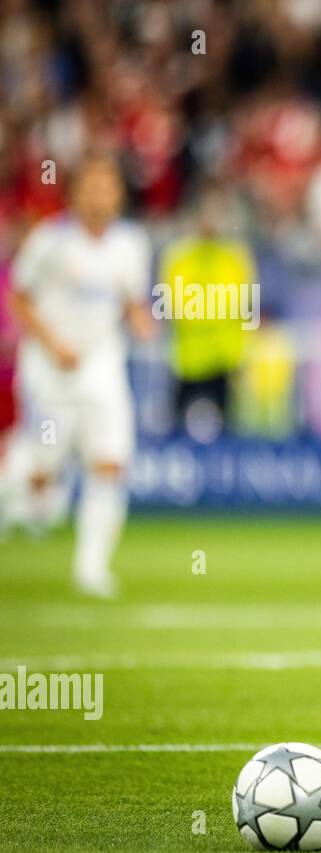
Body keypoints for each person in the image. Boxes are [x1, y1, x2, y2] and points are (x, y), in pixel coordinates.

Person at [5, 154, 154, 597]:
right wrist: (53, 344)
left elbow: (129, 298)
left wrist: (141, 320)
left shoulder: (131, 243)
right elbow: (19, 298)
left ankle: (92, 569)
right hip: (50, 372)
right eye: (92, 186)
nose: (100, 195)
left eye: (108, 187)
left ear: (119, 194)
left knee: (109, 463)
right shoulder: (50, 240)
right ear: (75, 192)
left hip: (101, 368)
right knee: (40, 474)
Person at [157, 185, 257, 442]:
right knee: (179, 432)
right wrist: (213, 311)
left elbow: (245, 304)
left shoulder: (235, 257)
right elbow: (175, 305)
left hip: (225, 360)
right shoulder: (178, 256)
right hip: (188, 360)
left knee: (228, 434)